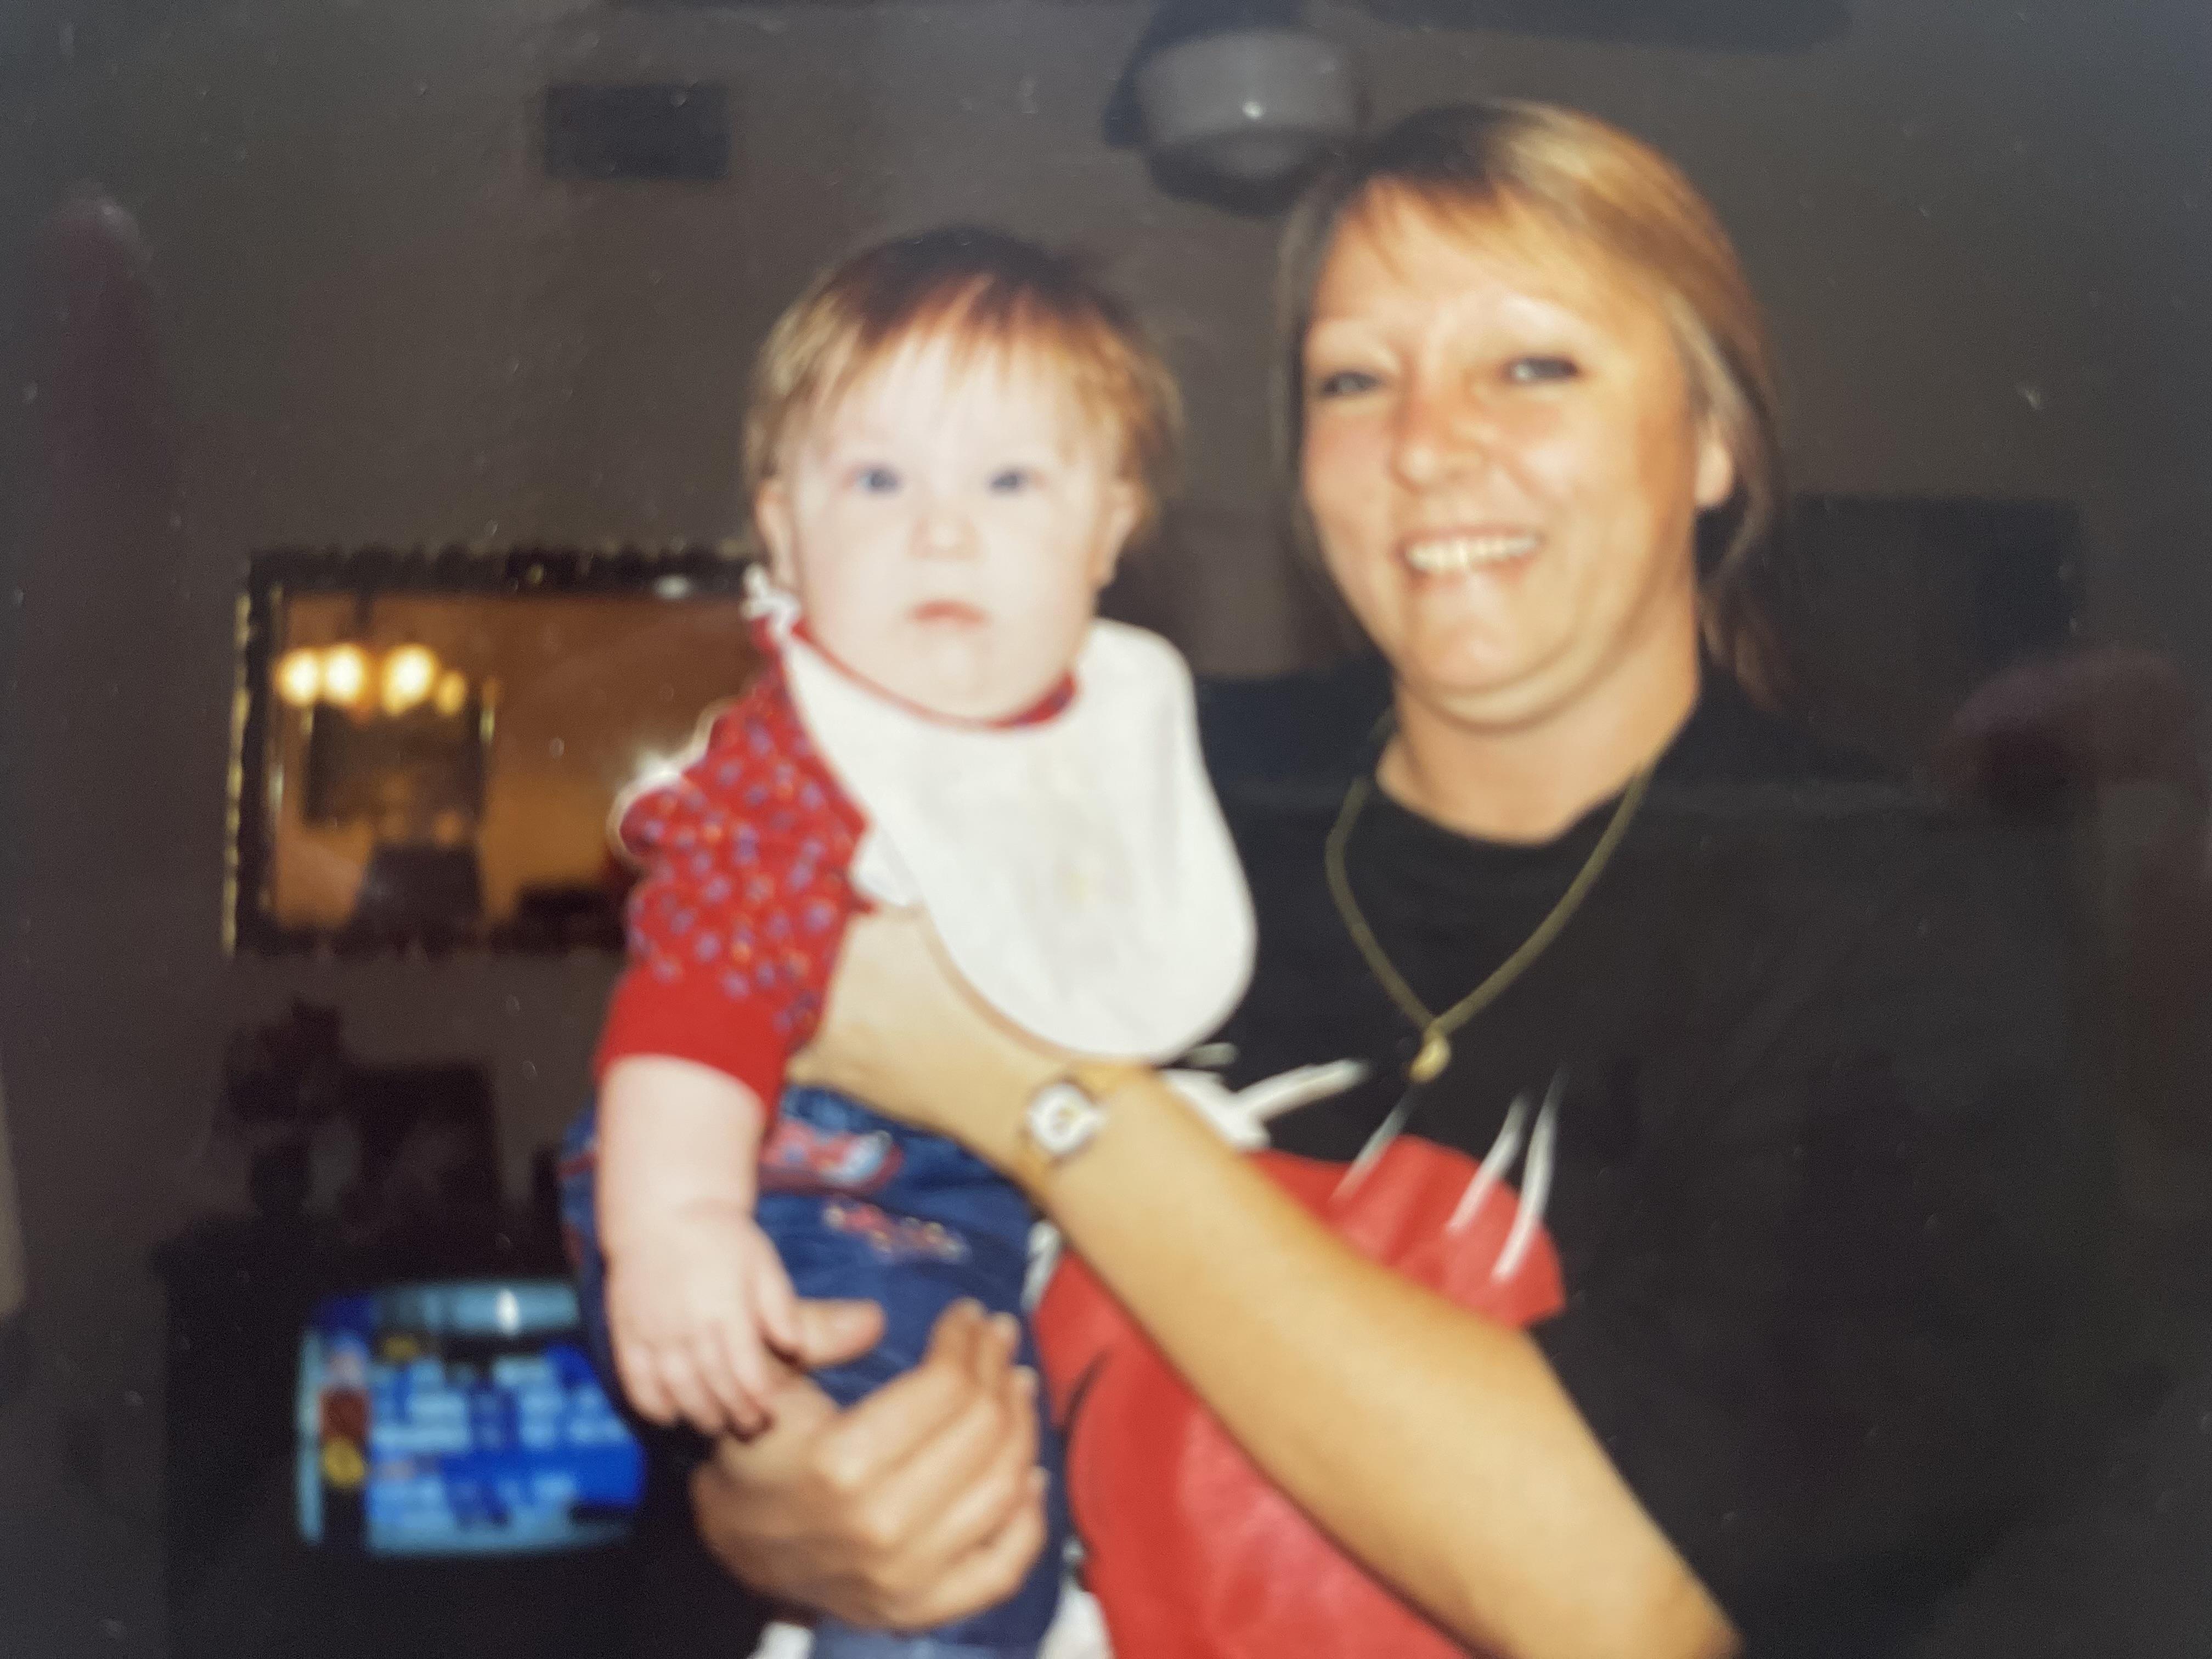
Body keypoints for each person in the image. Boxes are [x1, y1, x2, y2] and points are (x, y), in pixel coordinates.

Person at [688, 104, 2127, 1658]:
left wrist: (1037, 1093)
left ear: (1713, 438)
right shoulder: (1132, 787)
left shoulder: (1913, 921)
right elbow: (787, 1185)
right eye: (1355, 380)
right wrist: (772, 1502)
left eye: (1534, 365)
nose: (1429, 444)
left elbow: (1636, 1602)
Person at [561, 226, 1255, 1659]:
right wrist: (679, 1226)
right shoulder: (796, 763)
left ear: (1114, 521)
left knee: (1032, 1509)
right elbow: (696, 1000)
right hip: (779, 1173)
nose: (942, 530)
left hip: (968, 1209)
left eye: (1011, 480)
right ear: (781, 527)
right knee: (952, 1542)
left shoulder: (1110, 736)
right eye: (878, 480)